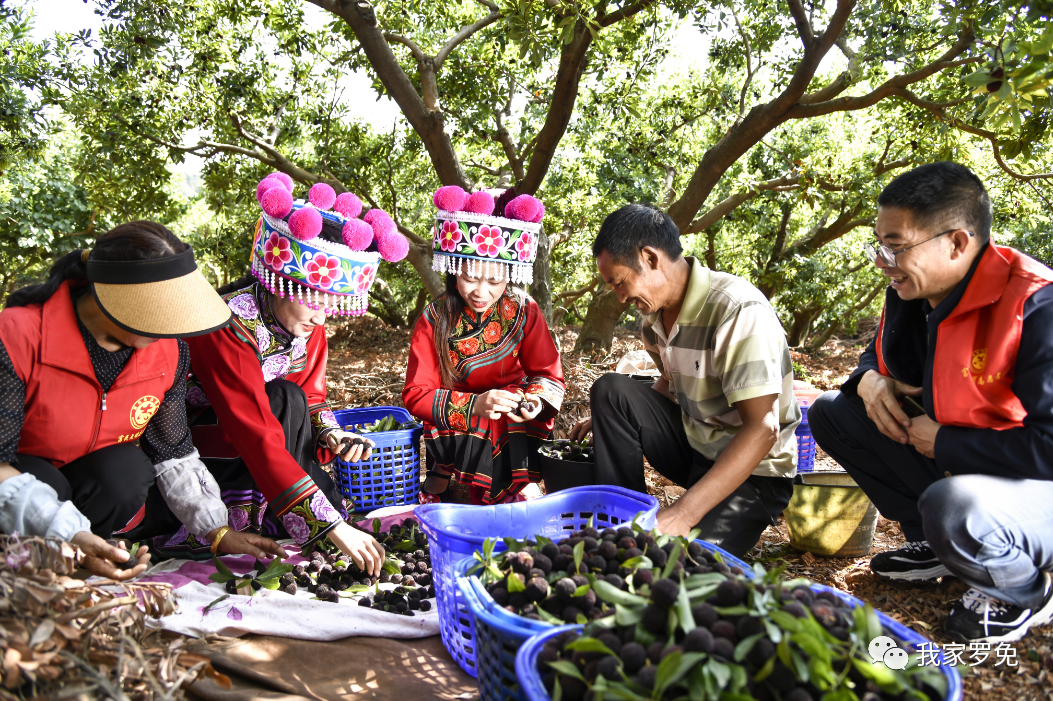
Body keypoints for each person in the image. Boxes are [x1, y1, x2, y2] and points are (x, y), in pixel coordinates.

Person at [808, 162, 1053, 643]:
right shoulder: (915, 293)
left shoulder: (1034, 306)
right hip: (969, 465)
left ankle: (1023, 589)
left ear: (957, 243)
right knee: (834, 413)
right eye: (879, 246)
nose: (882, 261)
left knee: (951, 506)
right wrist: (869, 380)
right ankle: (940, 545)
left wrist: (944, 443)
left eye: (896, 246)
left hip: (1034, 484)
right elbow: (877, 354)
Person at [150, 175, 410, 574]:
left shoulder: (308, 326)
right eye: (314, 301)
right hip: (200, 443)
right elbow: (252, 426)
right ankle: (251, 518)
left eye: (331, 305)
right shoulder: (227, 323)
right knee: (281, 399)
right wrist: (330, 526)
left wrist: (333, 435)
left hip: (262, 436)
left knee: (289, 397)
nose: (321, 317)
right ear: (281, 282)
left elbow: (311, 397)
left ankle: (285, 513)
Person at [0, 221, 287, 580]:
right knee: (45, 481)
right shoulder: (18, 335)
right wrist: (69, 531)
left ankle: (85, 559)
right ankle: (27, 567)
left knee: (126, 471)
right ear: (114, 299)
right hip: (19, 478)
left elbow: (172, 450)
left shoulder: (169, 352)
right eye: (157, 315)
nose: (169, 329)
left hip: (89, 487)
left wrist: (217, 530)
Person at [570, 204, 801, 557]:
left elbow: (763, 428)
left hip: (755, 472)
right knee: (611, 390)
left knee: (678, 562)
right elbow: (669, 383)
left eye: (620, 282)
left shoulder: (737, 310)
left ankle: (684, 524)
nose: (620, 297)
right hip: (699, 453)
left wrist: (683, 513)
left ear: (650, 258)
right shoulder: (654, 320)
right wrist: (612, 418)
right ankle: (624, 523)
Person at [403, 186, 565, 504]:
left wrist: (533, 401)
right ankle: (443, 470)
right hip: (457, 419)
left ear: (509, 275)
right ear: (453, 271)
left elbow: (548, 375)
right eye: (469, 278)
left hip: (511, 417)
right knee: (476, 413)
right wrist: (473, 405)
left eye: (494, 281)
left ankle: (519, 479)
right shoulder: (434, 317)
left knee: (506, 407)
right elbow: (417, 393)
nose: (480, 292)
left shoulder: (524, 310)